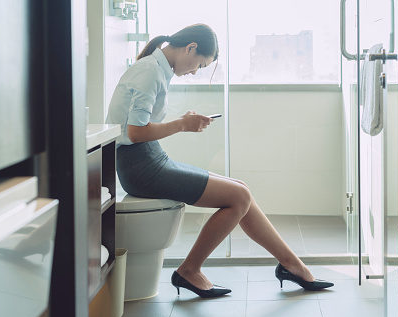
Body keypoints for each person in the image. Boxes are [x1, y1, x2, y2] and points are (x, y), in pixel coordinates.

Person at [106, 23, 333, 298]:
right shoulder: (150, 72)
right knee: (237, 197)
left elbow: (141, 125)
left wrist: (183, 120)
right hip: (141, 168)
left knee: (241, 189)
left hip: (149, 159)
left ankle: (292, 265)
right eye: (200, 65)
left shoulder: (156, 69)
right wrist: (181, 124)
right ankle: (189, 270)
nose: (193, 72)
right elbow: (135, 131)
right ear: (190, 48)